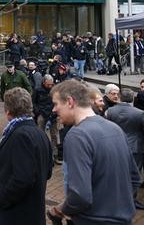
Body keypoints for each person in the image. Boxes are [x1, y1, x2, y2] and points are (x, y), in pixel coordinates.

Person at [48, 80, 139, 223]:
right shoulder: (115, 128)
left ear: (70, 102)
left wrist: (60, 210)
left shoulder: (77, 136)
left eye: (56, 104)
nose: (54, 109)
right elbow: (134, 178)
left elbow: (80, 195)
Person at [0, 88, 52, 225]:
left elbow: (23, 178)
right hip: (29, 211)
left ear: (8, 111)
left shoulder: (21, 135)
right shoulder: (40, 134)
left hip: (15, 215)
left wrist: (0, 199)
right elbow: (47, 171)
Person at [106, 88, 144, 211]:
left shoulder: (110, 111)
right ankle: (131, 200)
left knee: (118, 172)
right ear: (132, 98)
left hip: (116, 145)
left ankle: (117, 198)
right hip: (135, 147)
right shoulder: (139, 113)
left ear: (120, 97)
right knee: (134, 174)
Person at [33, 75, 57, 161]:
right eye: (48, 84)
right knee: (40, 134)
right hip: (42, 114)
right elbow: (34, 102)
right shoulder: (38, 90)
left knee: (54, 135)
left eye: (51, 84)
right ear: (44, 83)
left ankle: (54, 155)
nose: (50, 86)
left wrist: (55, 113)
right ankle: (41, 154)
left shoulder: (55, 90)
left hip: (53, 115)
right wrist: (38, 112)